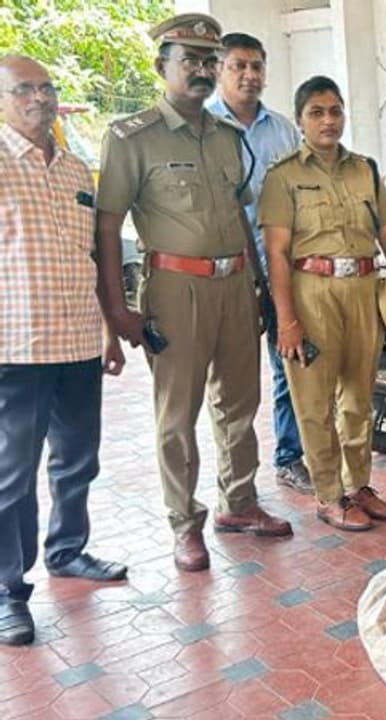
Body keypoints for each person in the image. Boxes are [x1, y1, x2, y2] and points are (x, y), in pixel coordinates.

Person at [95, 13, 293, 574]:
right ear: (162, 66)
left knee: (240, 403)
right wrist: (117, 310)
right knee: (177, 414)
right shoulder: (131, 137)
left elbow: (240, 216)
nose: (202, 70)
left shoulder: (228, 137)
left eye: (210, 60)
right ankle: (184, 523)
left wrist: (260, 288)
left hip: (235, 286)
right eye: (190, 60)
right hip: (175, 290)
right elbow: (106, 227)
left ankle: (240, 502)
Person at [0, 54, 129, 646]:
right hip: (16, 346)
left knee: (77, 459)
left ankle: (67, 550)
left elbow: (92, 258)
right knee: (12, 477)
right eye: (23, 89)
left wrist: (108, 331)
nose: (39, 98)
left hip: (77, 341)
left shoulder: (77, 167)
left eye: (46, 87)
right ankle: (8, 588)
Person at [258, 76, 386, 532]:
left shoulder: (364, 170)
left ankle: (358, 485)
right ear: (300, 120)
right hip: (311, 292)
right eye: (316, 112)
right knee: (313, 401)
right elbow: (275, 252)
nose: (328, 120)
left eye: (334, 111)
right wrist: (286, 320)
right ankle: (329, 495)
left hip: (363, 290)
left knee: (359, 395)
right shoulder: (283, 176)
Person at [207, 32, 311, 495]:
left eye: (256, 66)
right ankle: (235, 484)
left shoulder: (284, 131)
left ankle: (289, 457)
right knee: (233, 383)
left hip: (281, 272)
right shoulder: (204, 128)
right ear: (219, 71)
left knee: (289, 365)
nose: (249, 75)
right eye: (238, 66)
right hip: (227, 275)